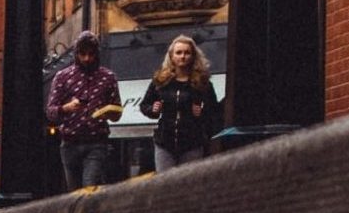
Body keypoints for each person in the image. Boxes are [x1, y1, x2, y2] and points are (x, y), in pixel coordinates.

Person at [45, 30, 124, 189]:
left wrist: (110, 113)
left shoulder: (108, 77)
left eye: (91, 54)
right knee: (73, 191)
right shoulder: (62, 77)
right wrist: (66, 108)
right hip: (70, 143)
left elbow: (117, 112)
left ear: (97, 54)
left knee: (90, 186)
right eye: (83, 54)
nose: (87, 58)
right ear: (76, 54)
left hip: (97, 142)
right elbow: (51, 112)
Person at [139, 34, 222, 172]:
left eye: (187, 53)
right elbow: (144, 105)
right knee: (165, 183)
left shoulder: (202, 83)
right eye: (179, 53)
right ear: (172, 56)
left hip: (192, 144)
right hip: (165, 143)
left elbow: (215, 112)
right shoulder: (161, 81)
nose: (183, 56)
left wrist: (202, 112)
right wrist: (153, 110)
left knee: (189, 184)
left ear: (193, 56)